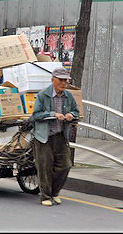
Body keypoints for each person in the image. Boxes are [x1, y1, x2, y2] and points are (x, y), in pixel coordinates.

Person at [31, 67, 79, 206]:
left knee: (65, 165)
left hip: (60, 135)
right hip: (44, 137)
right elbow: (35, 115)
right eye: (61, 80)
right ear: (53, 80)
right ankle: (45, 196)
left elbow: (75, 111)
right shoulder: (43, 95)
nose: (63, 83)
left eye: (66, 80)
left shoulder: (68, 96)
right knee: (45, 166)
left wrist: (71, 115)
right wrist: (52, 114)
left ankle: (54, 192)